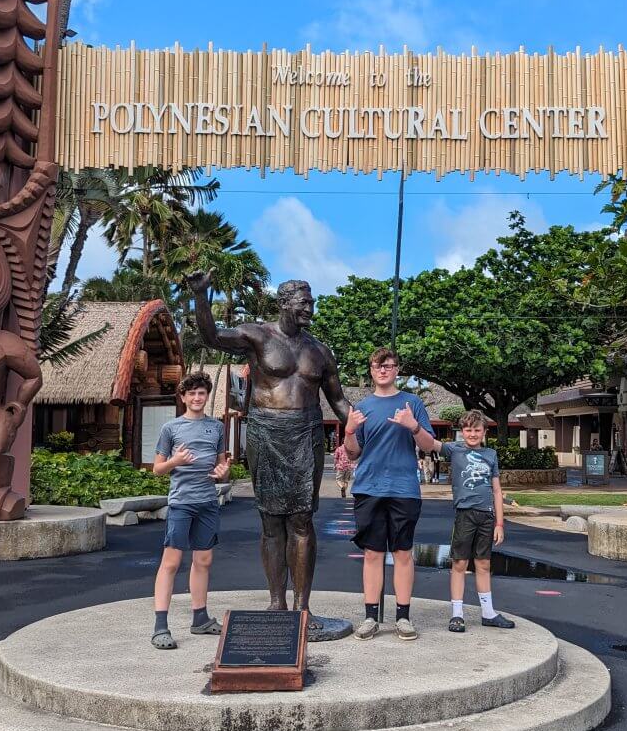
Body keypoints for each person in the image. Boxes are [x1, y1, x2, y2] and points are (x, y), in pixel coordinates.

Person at [190, 274, 350, 634]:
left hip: (306, 433)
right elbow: (211, 336)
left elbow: (339, 402)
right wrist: (202, 294)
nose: (310, 308)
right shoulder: (256, 336)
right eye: (303, 302)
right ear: (284, 302)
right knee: (270, 521)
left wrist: (370, 427)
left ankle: (302, 608)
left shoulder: (320, 351)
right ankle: (277, 602)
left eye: (311, 302)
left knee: (302, 521)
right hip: (266, 431)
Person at [344, 346, 437, 640]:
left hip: (404, 489)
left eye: (389, 366)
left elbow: (428, 445)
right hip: (368, 489)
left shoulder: (412, 403)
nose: (383, 370)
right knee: (372, 554)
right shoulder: (362, 408)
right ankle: (371, 617)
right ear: (371, 371)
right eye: (378, 366)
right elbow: (353, 453)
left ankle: (403, 616)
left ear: (397, 370)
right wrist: (348, 431)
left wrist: (413, 427)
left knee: (403, 554)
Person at [149, 371, 232, 650]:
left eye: (202, 393)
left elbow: (221, 466)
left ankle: (200, 618)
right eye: (192, 393)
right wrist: (176, 460)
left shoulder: (217, 428)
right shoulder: (171, 429)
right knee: (171, 563)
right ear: (183, 397)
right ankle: (161, 626)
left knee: (204, 561)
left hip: (208, 502)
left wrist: (223, 471)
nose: (197, 398)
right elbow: (157, 469)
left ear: (207, 396)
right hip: (181, 503)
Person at [439, 410, 514, 632]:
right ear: (461, 431)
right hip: (465, 514)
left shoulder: (490, 455)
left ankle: (488, 612)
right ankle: (457, 614)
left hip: (487, 515)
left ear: (484, 432)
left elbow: (497, 491)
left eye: (477, 430)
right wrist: (412, 425)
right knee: (460, 563)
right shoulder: (454, 450)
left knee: (483, 564)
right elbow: (429, 444)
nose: (472, 434)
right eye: (468, 430)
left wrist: (499, 523)